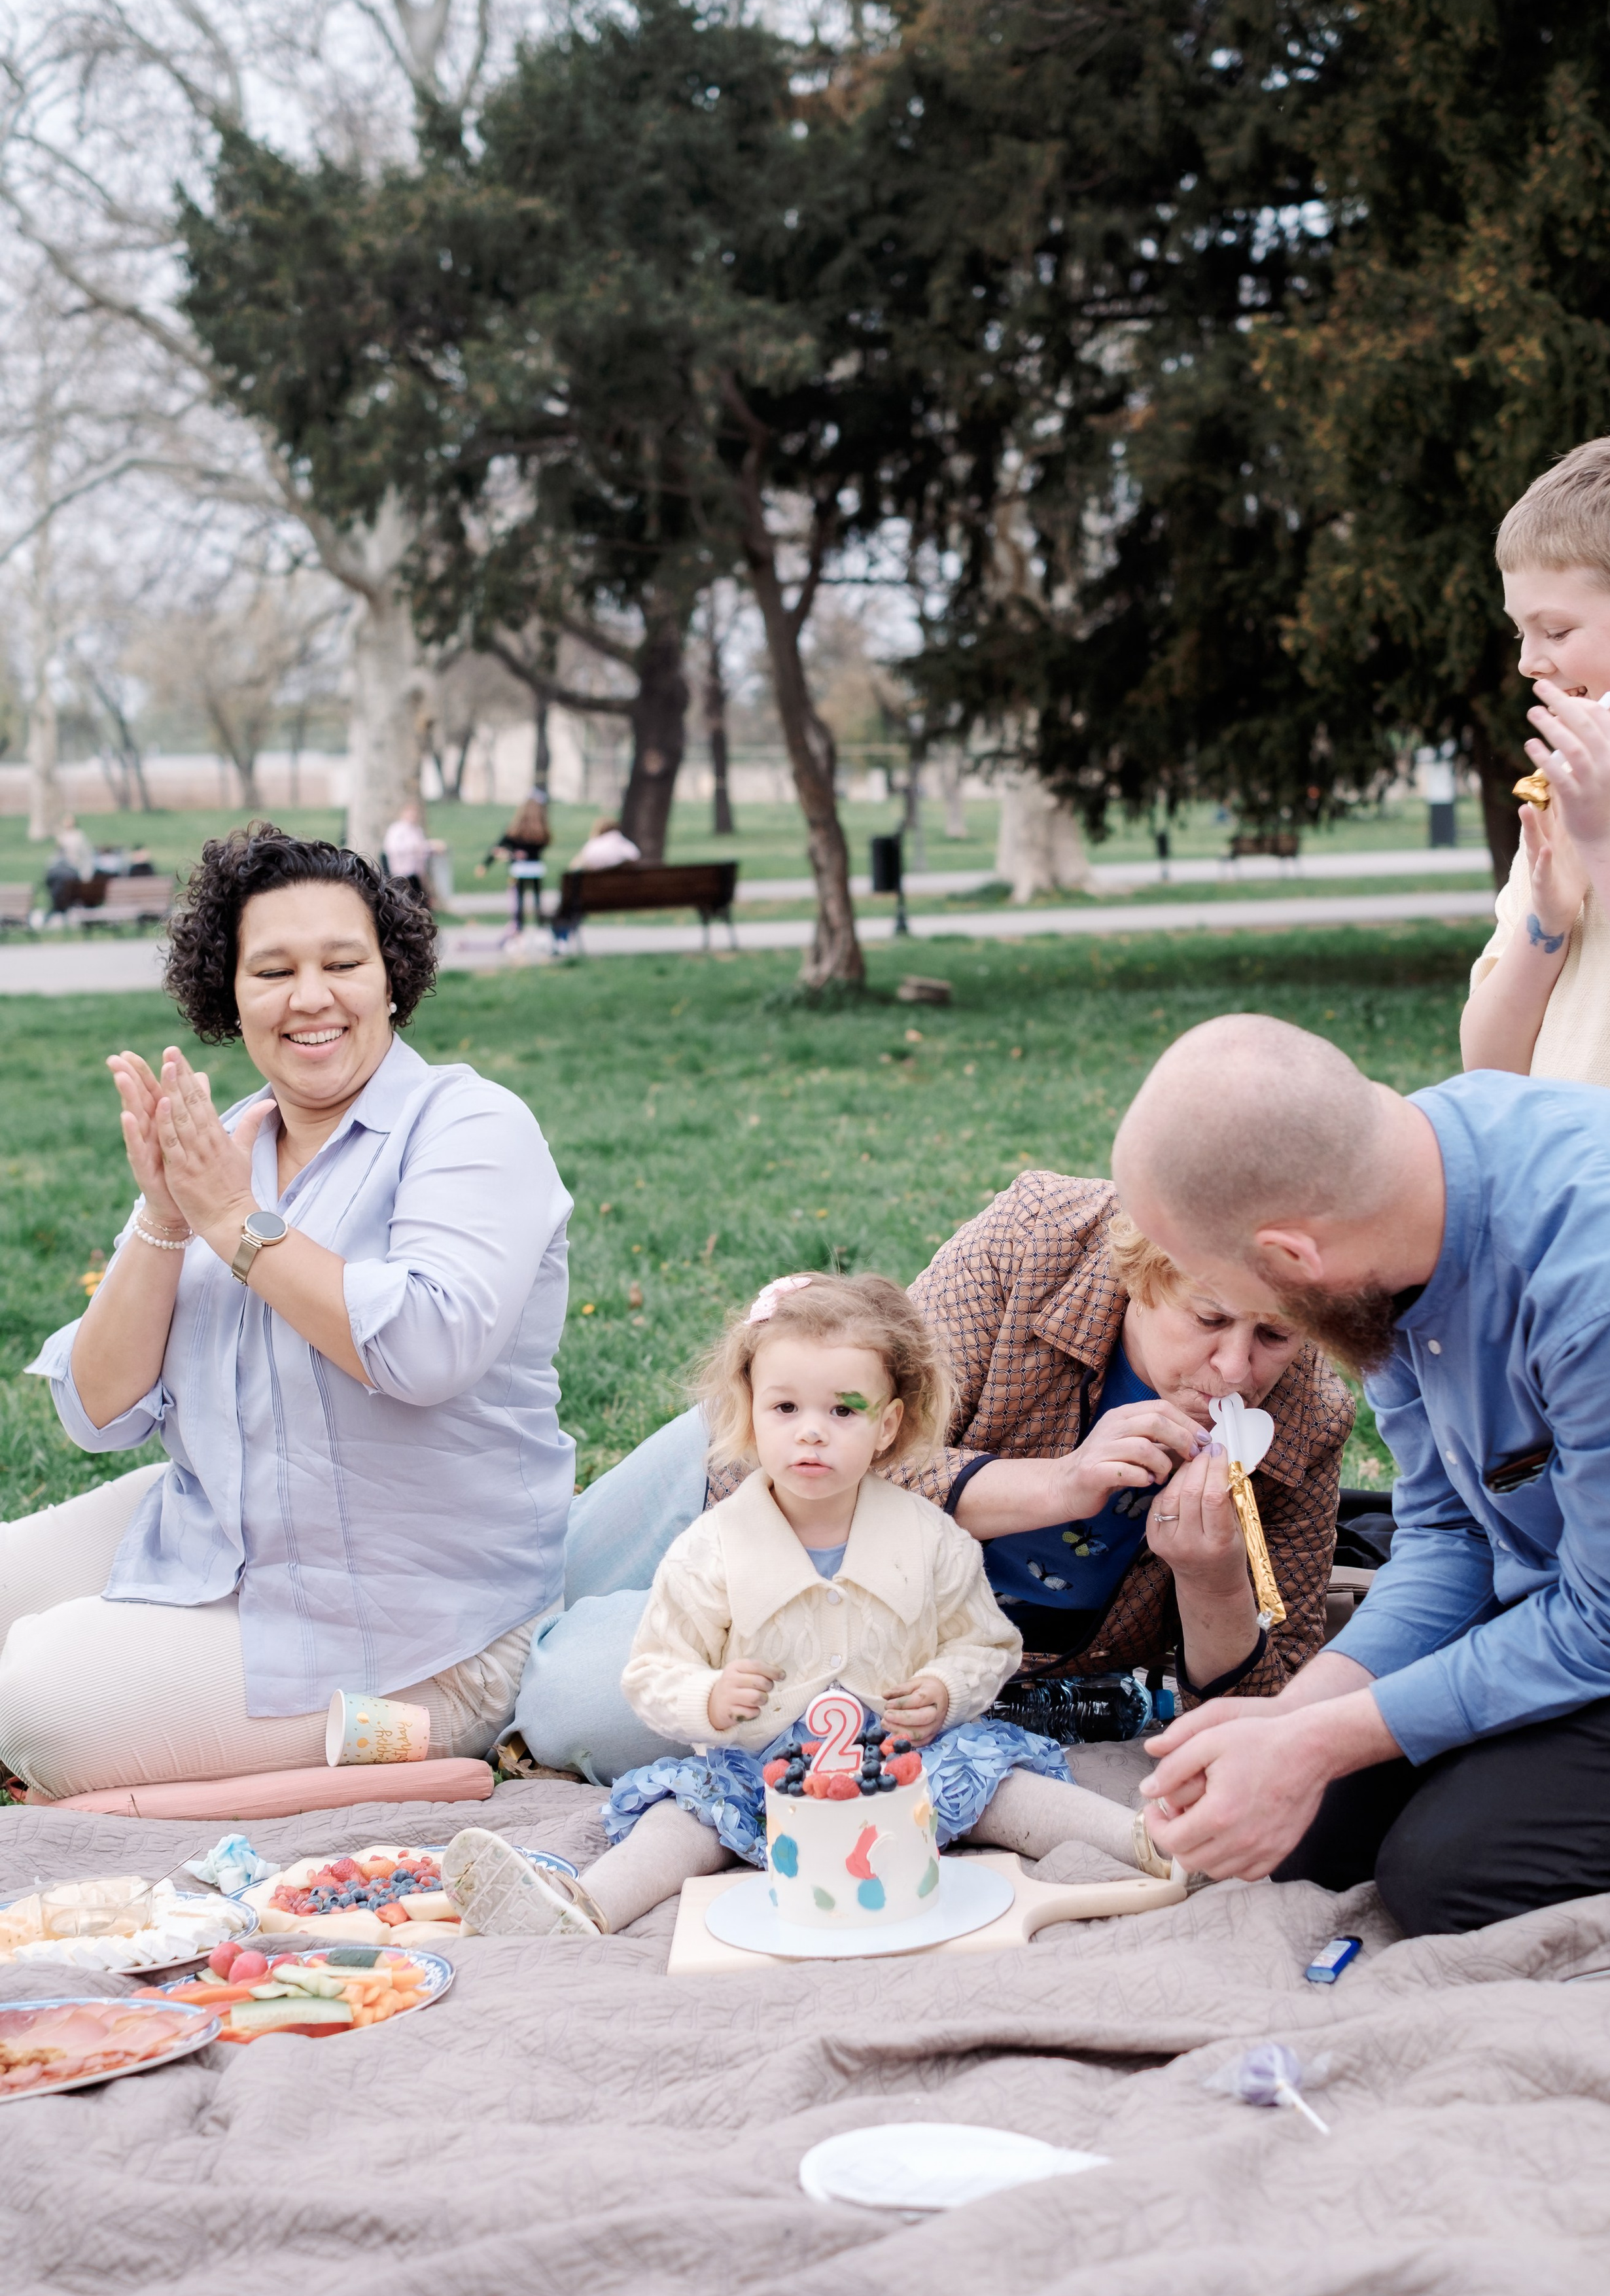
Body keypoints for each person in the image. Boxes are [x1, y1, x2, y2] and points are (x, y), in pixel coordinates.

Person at [0, 822, 574, 1801]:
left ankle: (439, 1740)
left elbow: (426, 1347)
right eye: (272, 970)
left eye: (342, 962)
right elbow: (97, 1414)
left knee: (36, 1693)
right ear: (230, 992)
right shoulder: (233, 1142)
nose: (310, 997)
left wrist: (233, 1219)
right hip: (231, 1532)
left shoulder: (471, 1126)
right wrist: (167, 1217)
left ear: (391, 976)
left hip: (424, 1630)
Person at [511, 1167, 1352, 1780]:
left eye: (1275, 1337)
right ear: (1143, 1267)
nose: (1238, 1370)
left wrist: (1212, 1584)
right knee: (522, 1603)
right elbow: (849, 1423)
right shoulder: (1038, 1241)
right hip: (758, 1475)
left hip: (863, 1639)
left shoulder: (1306, 1422)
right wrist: (1059, 1485)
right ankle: (515, 1635)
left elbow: (1268, 1709)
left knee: (575, 1707)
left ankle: (542, 1658)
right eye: (1208, 1318)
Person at [1118, 1012, 1610, 1935]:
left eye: (1230, 1295)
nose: (1234, 1357)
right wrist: (1291, 1721)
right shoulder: (1389, 1218)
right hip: (1591, 1596)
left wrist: (1319, 1741)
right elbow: (1450, 1532)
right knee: (1317, 1839)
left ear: (1294, 1258)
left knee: (1450, 1876)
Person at [445, 1272, 1167, 1939]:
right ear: (750, 1415)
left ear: (887, 1427)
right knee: (683, 1816)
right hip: (760, 1769)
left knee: (1000, 1781)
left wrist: (946, 1690)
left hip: (907, 1765)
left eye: (842, 1410)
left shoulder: (930, 1536)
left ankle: (1150, 1843)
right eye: (785, 1408)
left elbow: (985, 1644)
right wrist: (710, 1698)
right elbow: (654, 1669)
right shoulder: (712, 1549)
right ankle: (585, 1905)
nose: (811, 1430)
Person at [1462, 420, 1610, 1101]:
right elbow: (1489, 1070)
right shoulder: (1566, 799)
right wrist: (1544, 923)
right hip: (1570, 1202)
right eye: (1519, 631)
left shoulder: (1596, 814)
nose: (1529, 660)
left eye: (1555, 630)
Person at [477, 795, 551, 933]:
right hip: (536, 869)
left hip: (519, 869)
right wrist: (529, 854)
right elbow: (544, 844)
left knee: (519, 900)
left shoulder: (514, 829)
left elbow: (498, 847)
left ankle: (519, 928)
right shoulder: (542, 830)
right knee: (537, 899)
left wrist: (486, 865)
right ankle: (541, 927)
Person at [382, 802, 443, 906]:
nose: (413, 816)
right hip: (401, 872)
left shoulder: (417, 830)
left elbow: (422, 851)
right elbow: (393, 849)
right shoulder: (396, 830)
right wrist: (417, 848)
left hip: (415, 873)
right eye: (410, 813)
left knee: (420, 902)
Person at [569, 814, 641, 874]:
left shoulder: (593, 845)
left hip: (595, 887)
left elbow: (573, 868)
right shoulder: (627, 845)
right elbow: (635, 858)